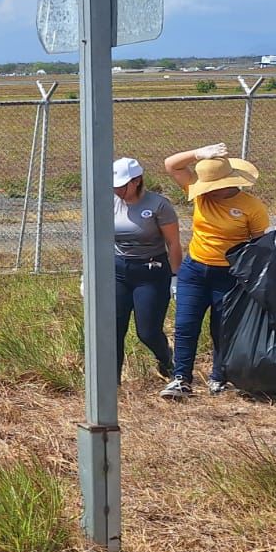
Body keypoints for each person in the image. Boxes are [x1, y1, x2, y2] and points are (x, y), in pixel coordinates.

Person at [159, 143, 270, 398]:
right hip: (194, 270)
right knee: (185, 325)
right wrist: (198, 153)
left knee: (222, 328)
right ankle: (181, 379)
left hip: (229, 276)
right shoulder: (198, 194)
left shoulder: (252, 207)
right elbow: (171, 164)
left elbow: (257, 247)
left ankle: (219, 376)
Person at [111, 156, 182, 382]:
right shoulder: (108, 202)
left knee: (148, 331)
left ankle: (166, 360)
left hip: (151, 272)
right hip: (118, 271)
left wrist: (175, 277)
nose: (117, 190)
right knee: (113, 329)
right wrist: (89, 274)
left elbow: (173, 243)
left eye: (122, 185)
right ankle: (111, 383)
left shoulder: (158, 205)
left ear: (137, 181)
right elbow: (96, 240)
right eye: (114, 185)